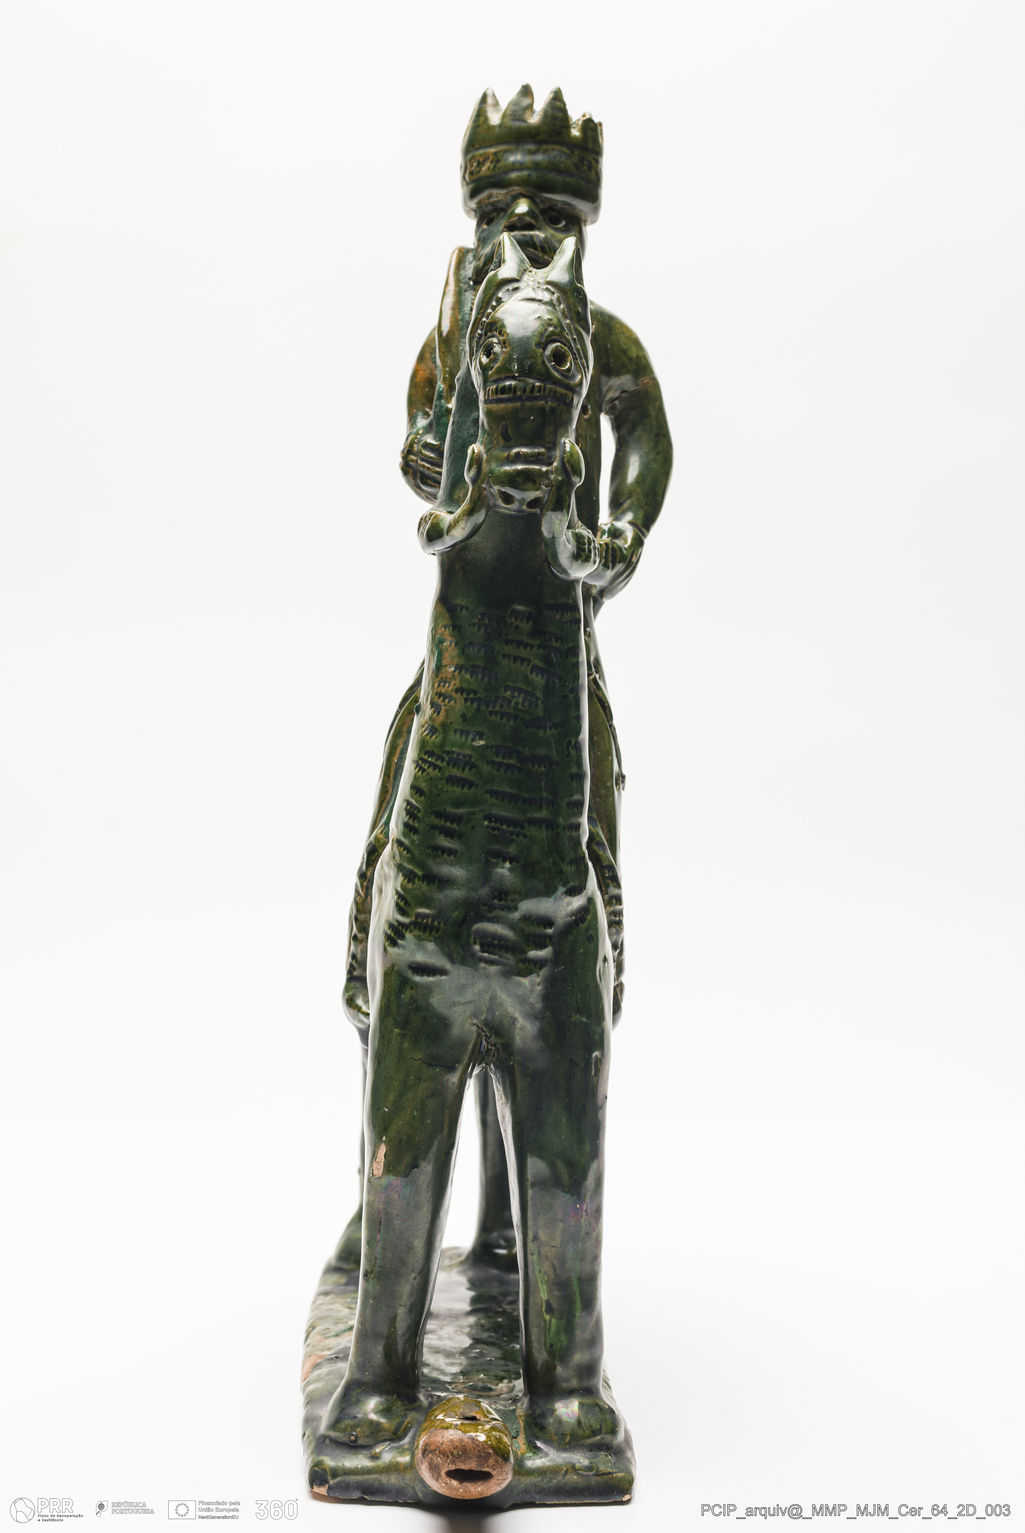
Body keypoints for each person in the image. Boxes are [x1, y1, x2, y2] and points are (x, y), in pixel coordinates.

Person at [328, 85, 672, 1271]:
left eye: (550, 213)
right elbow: (422, 439)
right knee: (408, 755)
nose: (526, 231)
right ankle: (371, 937)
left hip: (557, 626)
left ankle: (595, 940)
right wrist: (434, 453)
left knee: (591, 786)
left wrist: (617, 534)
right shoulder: (455, 331)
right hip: (469, 619)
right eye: (504, 210)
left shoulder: (601, 338)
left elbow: (645, 434)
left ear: (578, 226)